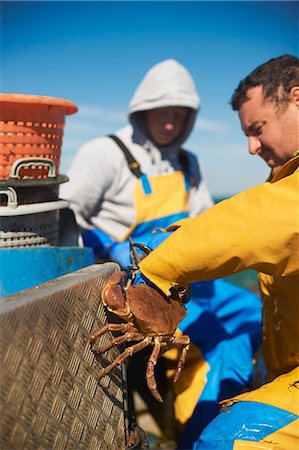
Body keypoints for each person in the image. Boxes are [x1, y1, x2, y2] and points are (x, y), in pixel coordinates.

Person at [60, 59, 262, 448]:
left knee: (254, 313)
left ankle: (219, 413)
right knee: (220, 346)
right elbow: (69, 215)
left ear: (189, 119)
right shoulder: (105, 152)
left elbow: (205, 223)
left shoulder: (189, 162)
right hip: (137, 282)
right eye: (161, 112)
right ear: (142, 109)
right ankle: (197, 434)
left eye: (179, 114)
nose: (170, 123)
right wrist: (108, 247)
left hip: (187, 283)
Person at [128, 54, 299, 448]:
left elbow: (251, 222)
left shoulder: (278, 196)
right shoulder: (280, 182)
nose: (252, 148)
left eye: (257, 129)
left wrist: (160, 259)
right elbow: (231, 219)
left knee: (229, 438)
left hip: (167, 267)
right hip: (285, 364)